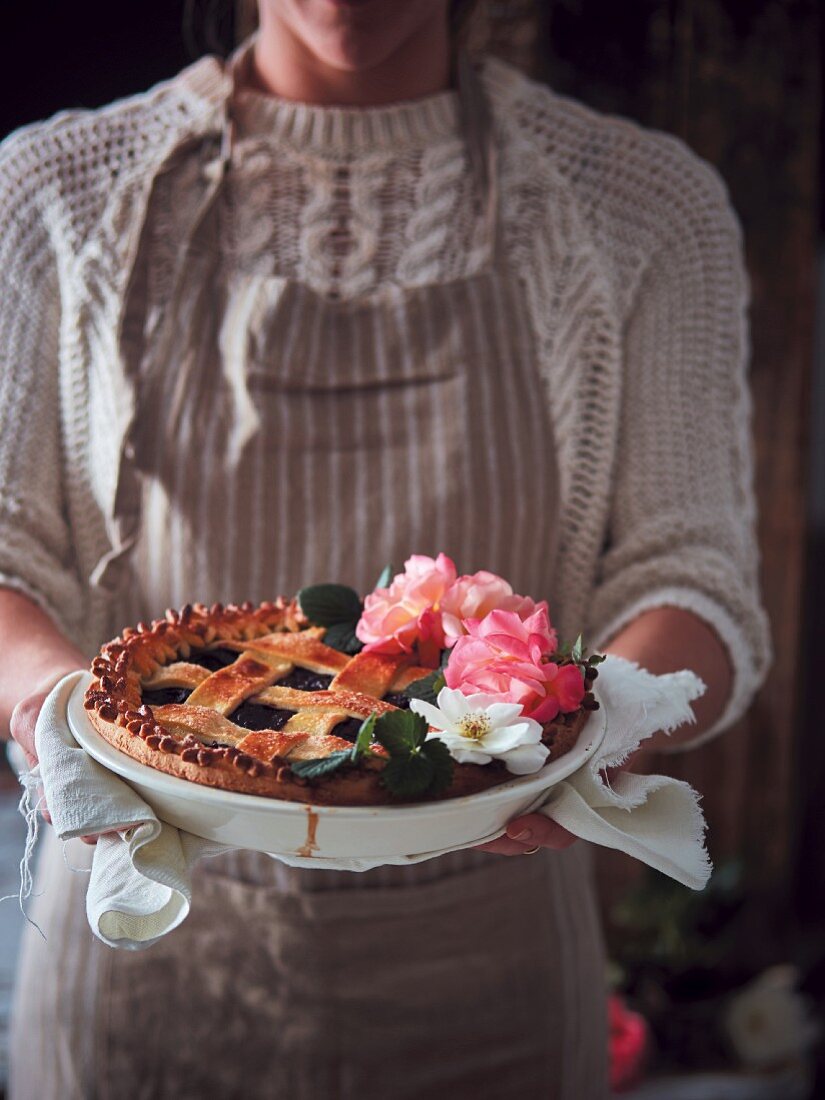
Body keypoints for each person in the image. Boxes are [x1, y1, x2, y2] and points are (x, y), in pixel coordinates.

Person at [0, 1, 770, 1096]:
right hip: (140, 971)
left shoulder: (643, 206)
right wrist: (56, 717)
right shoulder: (54, 192)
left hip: (489, 983)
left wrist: (596, 736)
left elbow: (695, 574)